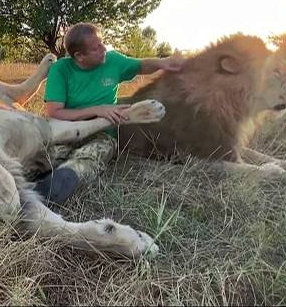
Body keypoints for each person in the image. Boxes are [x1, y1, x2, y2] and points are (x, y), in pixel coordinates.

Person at [34, 22, 184, 204]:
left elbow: (142, 65)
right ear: (79, 56)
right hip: (66, 132)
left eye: (102, 43)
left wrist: (165, 63)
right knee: (44, 157)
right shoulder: (61, 70)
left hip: (103, 135)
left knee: (91, 157)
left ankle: (58, 185)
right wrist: (98, 110)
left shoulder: (113, 61)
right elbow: (54, 112)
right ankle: (21, 178)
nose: (104, 48)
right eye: (96, 48)